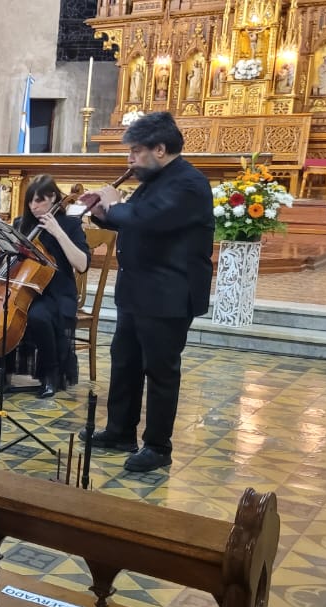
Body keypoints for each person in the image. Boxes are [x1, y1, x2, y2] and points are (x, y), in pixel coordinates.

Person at [78, 112, 214, 473]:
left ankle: (157, 446)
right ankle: (121, 430)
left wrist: (116, 204)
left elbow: (146, 219)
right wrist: (102, 212)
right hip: (138, 290)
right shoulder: (153, 179)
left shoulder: (188, 184)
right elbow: (133, 219)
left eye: (136, 151)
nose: (130, 159)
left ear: (160, 148)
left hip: (168, 293)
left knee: (161, 371)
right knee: (125, 361)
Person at [0, 175, 89, 398]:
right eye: (30, 201)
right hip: (20, 287)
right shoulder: (23, 223)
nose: (34, 206)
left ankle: (50, 374)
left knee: (38, 317)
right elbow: (11, 251)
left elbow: (82, 263)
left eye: (39, 201)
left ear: (54, 198)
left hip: (55, 292)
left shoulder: (70, 225)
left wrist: (58, 232)